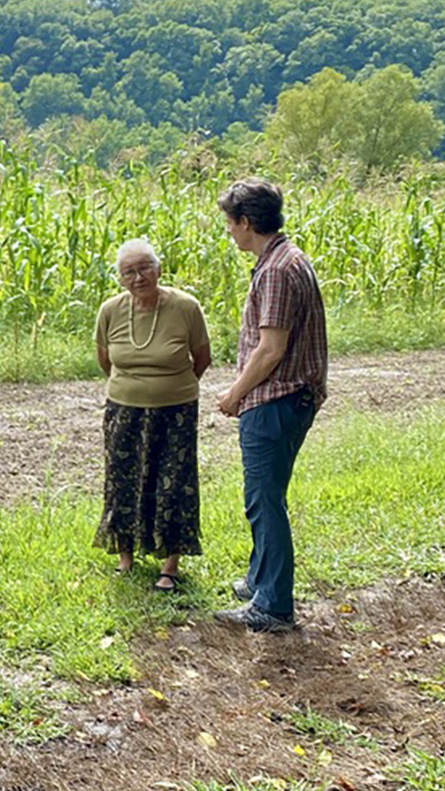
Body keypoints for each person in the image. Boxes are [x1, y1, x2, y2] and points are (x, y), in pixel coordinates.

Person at [212, 178, 328, 633]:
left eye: (230, 224)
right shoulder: (287, 257)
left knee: (264, 500)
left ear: (246, 222)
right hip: (289, 398)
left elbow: (270, 349)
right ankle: (260, 580)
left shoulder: (278, 270)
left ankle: (273, 605)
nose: (229, 232)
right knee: (265, 495)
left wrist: (234, 393)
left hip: (275, 399)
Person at [93, 238, 212, 592]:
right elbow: (105, 359)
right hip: (123, 410)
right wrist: (132, 387)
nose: (138, 277)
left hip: (175, 411)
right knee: (121, 479)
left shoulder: (186, 307)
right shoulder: (110, 310)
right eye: (128, 271)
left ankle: (169, 565)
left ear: (159, 269)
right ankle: (125, 557)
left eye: (145, 267)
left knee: (173, 482)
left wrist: (172, 387)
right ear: (120, 277)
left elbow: (201, 358)